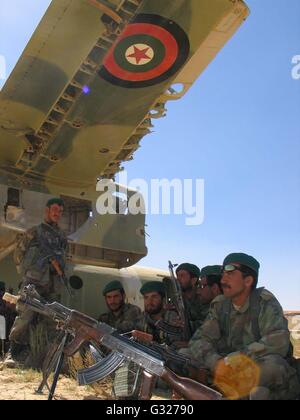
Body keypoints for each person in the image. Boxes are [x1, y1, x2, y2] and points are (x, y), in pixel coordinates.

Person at [186, 253, 300, 400]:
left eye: (230, 273)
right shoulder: (220, 305)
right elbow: (199, 340)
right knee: (184, 354)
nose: (223, 279)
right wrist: (216, 363)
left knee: (272, 366)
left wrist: (232, 361)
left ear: (248, 281)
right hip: (226, 369)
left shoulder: (264, 302)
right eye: (223, 274)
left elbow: (278, 342)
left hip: (254, 368)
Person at [4, 198, 68, 368]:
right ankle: (14, 353)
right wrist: (29, 273)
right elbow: (19, 255)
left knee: (52, 322)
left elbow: (64, 261)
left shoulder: (62, 237)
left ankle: (47, 361)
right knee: (24, 317)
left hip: (52, 286)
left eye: (60, 211)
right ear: (47, 210)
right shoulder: (33, 232)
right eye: (55, 209)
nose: (57, 213)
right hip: (33, 283)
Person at [175, 263, 205, 334]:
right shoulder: (179, 299)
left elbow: (208, 327)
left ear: (193, 280)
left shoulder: (203, 298)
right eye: (177, 276)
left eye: (182, 276)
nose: (178, 279)